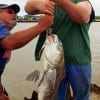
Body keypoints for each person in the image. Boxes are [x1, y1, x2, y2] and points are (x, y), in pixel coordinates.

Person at [34, 0, 95, 100]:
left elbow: (83, 16)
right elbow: (28, 7)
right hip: (54, 62)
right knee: (56, 96)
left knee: (82, 96)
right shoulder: (49, 4)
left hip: (79, 61)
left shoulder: (84, 3)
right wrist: (39, 4)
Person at [0, 3, 54, 100]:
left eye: (15, 13)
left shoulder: (5, 34)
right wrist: (41, 26)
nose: (14, 15)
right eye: (9, 12)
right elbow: (9, 43)